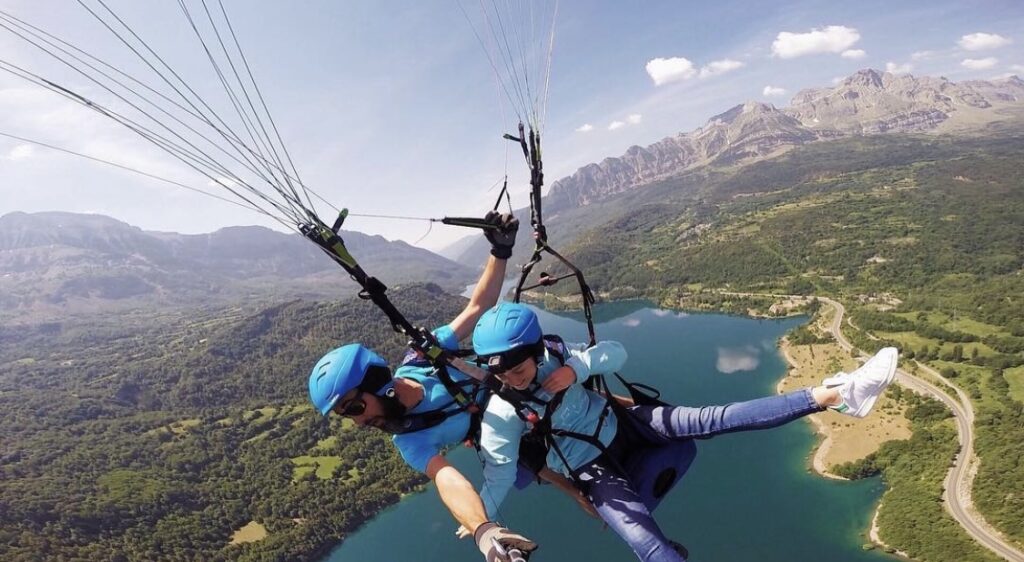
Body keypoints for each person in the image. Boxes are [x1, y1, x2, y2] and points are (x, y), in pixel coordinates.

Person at [471, 302, 899, 562]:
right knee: (647, 546)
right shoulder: (503, 411)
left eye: (520, 368)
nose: (514, 378)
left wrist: (574, 369)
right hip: (594, 470)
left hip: (629, 425)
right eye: (504, 373)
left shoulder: (555, 356)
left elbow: (616, 353)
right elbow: (500, 469)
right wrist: (481, 517)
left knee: (711, 417)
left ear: (535, 352)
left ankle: (835, 394)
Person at [307, 212, 538, 562]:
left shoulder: (422, 357)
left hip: (524, 387)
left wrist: (500, 251)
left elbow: (477, 307)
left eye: (354, 407)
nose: (357, 421)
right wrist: (484, 530)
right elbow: (446, 478)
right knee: (568, 476)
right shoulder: (408, 438)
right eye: (346, 415)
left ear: (375, 384)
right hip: (513, 430)